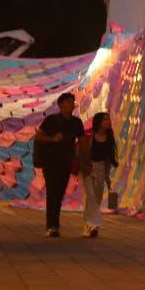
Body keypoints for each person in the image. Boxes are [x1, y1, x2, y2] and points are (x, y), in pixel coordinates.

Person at [32, 92, 84, 237]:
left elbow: (82, 141)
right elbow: (39, 136)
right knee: (52, 193)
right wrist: (53, 139)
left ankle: (55, 223)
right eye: (67, 102)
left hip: (66, 162)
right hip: (51, 162)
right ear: (60, 105)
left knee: (59, 194)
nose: (70, 104)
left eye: (72, 102)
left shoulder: (76, 122)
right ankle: (52, 226)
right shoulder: (51, 120)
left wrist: (81, 158)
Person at [79, 112, 117, 238]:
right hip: (88, 169)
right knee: (90, 196)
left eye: (108, 119)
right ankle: (93, 225)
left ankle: (88, 224)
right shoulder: (90, 136)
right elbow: (82, 153)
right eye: (105, 119)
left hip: (101, 169)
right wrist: (85, 167)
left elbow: (108, 159)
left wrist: (107, 177)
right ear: (98, 121)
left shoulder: (109, 138)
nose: (108, 121)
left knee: (97, 198)